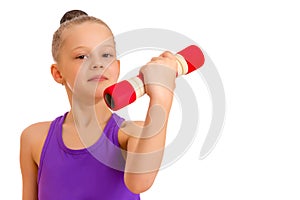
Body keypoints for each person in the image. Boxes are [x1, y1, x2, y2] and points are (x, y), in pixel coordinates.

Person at [20, 10, 177, 200]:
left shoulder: (132, 133)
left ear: (117, 68)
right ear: (58, 73)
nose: (97, 63)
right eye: (82, 57)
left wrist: (162, 96)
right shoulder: (34, 138)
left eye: (106, 55)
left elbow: (139, 182)